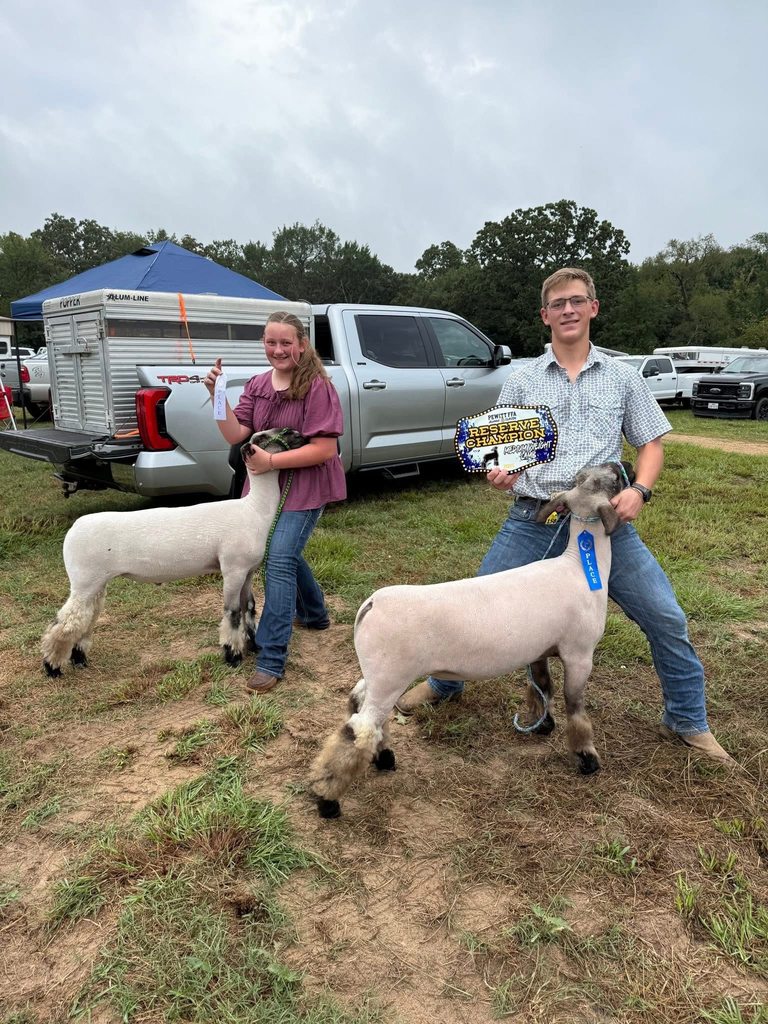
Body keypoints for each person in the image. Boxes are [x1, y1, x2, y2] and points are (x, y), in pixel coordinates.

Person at [395, 267, 732, 762]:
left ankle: (687, 720)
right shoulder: (524, 377)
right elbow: (503, 447)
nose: (568, 310)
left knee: (665, 615)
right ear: (545, 316)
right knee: (471, 605)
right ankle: (443, 685)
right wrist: (501, 472)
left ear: (593, 308)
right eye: (558, 304)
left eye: (577, 301)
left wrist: (640, 489)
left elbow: (652, 443)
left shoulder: (622, 376)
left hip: (603, 526)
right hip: (536, 518)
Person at [204, 311, 346, 693]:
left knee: (279, 557)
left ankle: (271, 656)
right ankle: (314, 614)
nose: (278, 350)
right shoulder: (257, 384)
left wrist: (271, 461)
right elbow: (235, 433)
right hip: (264, 491)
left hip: (305, 486)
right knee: (286, 551)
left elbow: (324, 449)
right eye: (271, 342)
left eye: (286, 343)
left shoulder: (317, 387)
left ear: (302, 344)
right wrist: (218, 398)